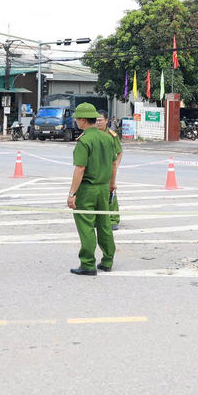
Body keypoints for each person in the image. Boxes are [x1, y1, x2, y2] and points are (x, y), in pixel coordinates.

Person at [67, 103, 118, 275]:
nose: (76, 121)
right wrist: (112, 184)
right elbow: (114, 163)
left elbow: (80, 168)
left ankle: (88, 263)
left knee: (86, 225)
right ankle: (108, 260)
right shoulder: (108, 138)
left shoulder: (84, 140)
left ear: (82, 120)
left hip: (88, 189)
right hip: (104, 188)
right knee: (104, 224)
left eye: (77, 119)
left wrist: (72, 193)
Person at [96, 111, 124, 229]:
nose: (98, 122)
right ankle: (98, 218)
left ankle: (113, 219)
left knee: (111, 193)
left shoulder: (112, 135)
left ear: (107, 121)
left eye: (100, 120)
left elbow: (119, 152)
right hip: (95, 169)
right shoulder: (92, 134)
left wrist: (115, 166)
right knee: (97, 194)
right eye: (96, 120)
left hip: (108, 169)